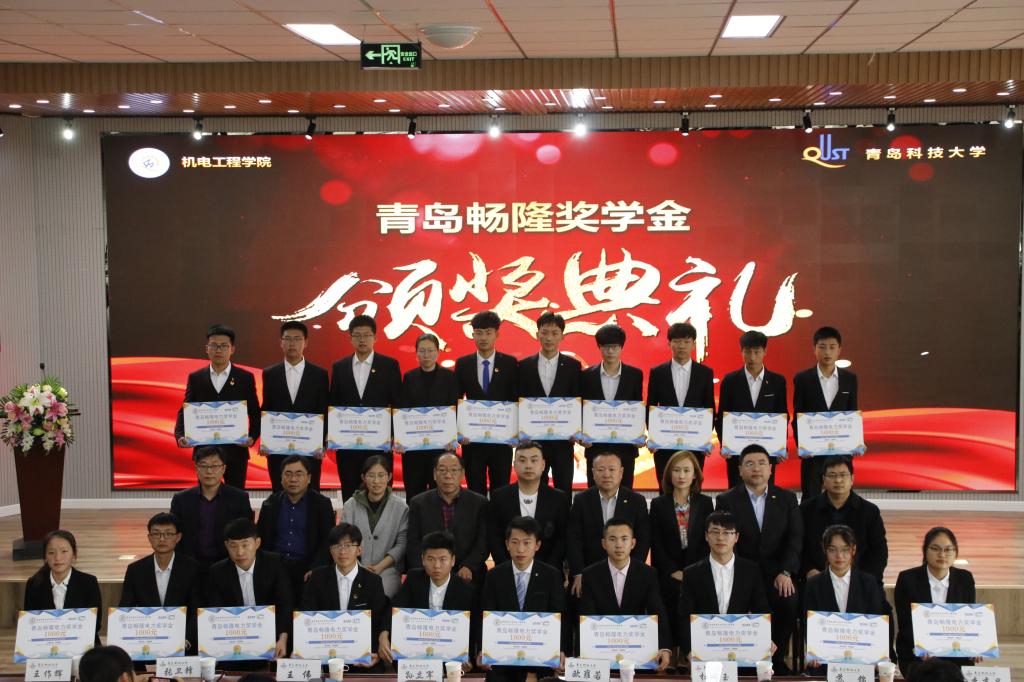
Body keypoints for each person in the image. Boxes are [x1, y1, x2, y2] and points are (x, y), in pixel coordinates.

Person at [714, 444, 801, 674]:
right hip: (741, 572)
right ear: (740, 469)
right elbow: (727, 541)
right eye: (750, 464)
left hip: (777, 572)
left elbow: (795, 538)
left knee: (788, 600)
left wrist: (786, 572)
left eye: (762, 463)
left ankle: (776, 659)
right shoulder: (726, 500)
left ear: (771, 468)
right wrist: (740, 575)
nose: (756, 469)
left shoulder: (787, 498)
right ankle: (744, 660)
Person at [480, 516, 568, 682]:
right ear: (507, 544)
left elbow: (560, 616)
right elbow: (486, 615)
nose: (520, 549)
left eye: (527, 543)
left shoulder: (551, 575)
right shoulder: (494, 576)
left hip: (541, 658)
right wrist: (483, 649)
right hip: (504, 661)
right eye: (515, 542)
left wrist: (561, 650)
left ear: (537, 545)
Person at [174, 324, 261, 489]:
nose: (218, 350)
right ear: (207, 348)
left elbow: (255, 412)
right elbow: (185, 409)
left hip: (235, 451)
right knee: (206, 496)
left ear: (232, 349)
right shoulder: (196, 378)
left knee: (236, 496)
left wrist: (252, 436)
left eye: (224, 346)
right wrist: (179, 435)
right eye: (214, 345)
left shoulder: (245, 377)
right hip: (205, 452)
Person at [579, 518, 672, 672]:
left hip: (637, 654)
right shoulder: (591, 574)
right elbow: (587, 616)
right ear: (604, 544)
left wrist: (664, 648)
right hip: (602, 654)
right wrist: (583, 652)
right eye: (612, 539)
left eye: (624, 539)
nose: (619, 545)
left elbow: (658, 611)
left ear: (633, 543)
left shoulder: (647, 574)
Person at [676, 511, 771, 662]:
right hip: (705, 651)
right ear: (706, 536)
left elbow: (762, 609)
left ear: (736, 537)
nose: (720, 537)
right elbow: (684, 616)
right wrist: (689, 651)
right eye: (715, 532)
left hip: (741, 650)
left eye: (727, 532)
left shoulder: (751, 571)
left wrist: (766, 638)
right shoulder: (692, 573)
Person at [329, 314, 402, 500]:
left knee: (380, 495)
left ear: (375, 337)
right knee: (350, 493)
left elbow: (397, 403)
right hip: (348, 445)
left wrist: (394, 435)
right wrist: (332, 434)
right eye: (357, 335)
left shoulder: (389, 365)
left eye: (367, 335)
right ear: (350, 338)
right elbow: (334, 404)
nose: (362, 340)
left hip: (380, 445)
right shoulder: (339, 367)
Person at [803, 525, 892, 676]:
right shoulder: (814, 584)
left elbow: (877, 622)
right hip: (826, 662)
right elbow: (809, 623)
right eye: (832, 550)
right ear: (824, 550)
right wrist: (813, 652)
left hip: (863, 660)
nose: (839, 556)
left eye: (845, 550)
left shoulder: (869, 583)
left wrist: (878, 655)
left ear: (853, 550)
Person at [378, 532, 475, 669]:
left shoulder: (466, 590)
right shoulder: (413, 579)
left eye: (443, 559)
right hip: (416, 658)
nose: (436, 565)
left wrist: (468, 656)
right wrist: (384, 633)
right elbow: (395, 607)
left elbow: (473, 629)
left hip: (450, 662)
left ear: (452, 561)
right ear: (423, 559)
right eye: (431, 559)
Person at [895, 527, 978, 681]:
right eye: (935, 549)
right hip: (917, 656)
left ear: (956, 552)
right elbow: (905, 625)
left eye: (948, 549)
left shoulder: (965, 579)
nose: (942, 554)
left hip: (956, 656)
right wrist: (922, 648)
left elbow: (968, 620)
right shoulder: (907, 579)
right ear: (925, 551)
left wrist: (974, 647)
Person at [300, 523, 387, 669]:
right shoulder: (317, 578)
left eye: (348, 545)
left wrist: (374, 654)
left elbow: (378, 620)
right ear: (331, 551)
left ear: (359, 550)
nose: (342, 551)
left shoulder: (373, 581)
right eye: (337, 546)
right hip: (324, 657)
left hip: (362, 660)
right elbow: (306, 615)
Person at [205, 518, 292, 658]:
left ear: (257, 543)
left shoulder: (275, 564)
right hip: (233, 639)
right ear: (226, 545)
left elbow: (284, 605)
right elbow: (216, 612)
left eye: (245, 545)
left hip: (271, 635)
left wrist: (282, 639)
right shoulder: (217, 572)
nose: (240, 552)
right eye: (233, 546)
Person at [567, 452, 650, 599]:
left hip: (625, 570)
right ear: (593, 473)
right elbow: (573, 539)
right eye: (601, 470)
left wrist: (633, 570)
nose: (606, 474)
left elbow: (643, 540)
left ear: (621, 472)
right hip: (589, 572)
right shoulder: (581, 500)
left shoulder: (636, 501)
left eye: (612, 469)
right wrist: (578, 572)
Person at [649, 450, 713, 639]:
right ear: (669, 474)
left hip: (697, 569)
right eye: (676, 470)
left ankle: (691, 649)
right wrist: (672, 571)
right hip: (668, 572)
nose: (681, 475)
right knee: (670, 601)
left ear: (695, 475)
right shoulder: (658, 504)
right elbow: (656, 542)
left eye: (686, 470)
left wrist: (692, 571)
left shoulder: (705, 503)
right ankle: (671, 649)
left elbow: (707, 541)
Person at [516, 311, 582, 493]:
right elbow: (518, 400)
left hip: (563, 442)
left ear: (562, 336)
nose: (549, 338)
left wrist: (577, 429)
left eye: (554, 333)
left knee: (564, 488)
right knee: (535, 489)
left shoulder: (573, 366)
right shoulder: (524, 366)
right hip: (533, 442)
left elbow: (577, 399)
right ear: (537, 334)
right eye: (544, 332)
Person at [260, 321, 329, 491]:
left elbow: (323, 410)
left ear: (306, 342)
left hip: (310, 449)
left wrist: (321, 443)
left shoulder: (319, 374)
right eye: (288, 339)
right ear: (281, 342)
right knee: (279, 492)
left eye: (297, 339)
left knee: (311, 493)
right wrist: (265, 440)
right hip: (278, 449)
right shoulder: (270, 373)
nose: (292, 343)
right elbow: (267, 408)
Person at [256, 455, 335, 603]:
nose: (293, 479)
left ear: (309, 478)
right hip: (276, 566)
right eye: (288, 474)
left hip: (308, 567)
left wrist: (316, 569)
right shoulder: (270, 504)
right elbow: (261, 540)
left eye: (299, 474)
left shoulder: (322, 504)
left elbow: (328, 541)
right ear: (281, 478)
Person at [455, 310, 519, 494]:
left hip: (501, 440)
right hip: (472, 440)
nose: (483, 338)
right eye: (479, 333)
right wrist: (459, 431)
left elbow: (515, 399)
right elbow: (456, 399)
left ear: (497, 334)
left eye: (488, 333)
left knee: (501, 487)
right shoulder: (463, 364)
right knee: (475, 489)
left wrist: (515, 431)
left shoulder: (509, 363)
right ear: (473, 334)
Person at [120, 512, 201, 654]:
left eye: (168, 534)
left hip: (183, 643)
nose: (162, 539)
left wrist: (186, 640)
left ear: (178, 537)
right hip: (146, 642)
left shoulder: (192, 568)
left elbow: (197, 611)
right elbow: (126, 609)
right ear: (149, 538)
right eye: (156, 534)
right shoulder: (135, 570)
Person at [792, 326, 858, 500]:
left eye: (832, 347)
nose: (827, 352)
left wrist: (856, 441)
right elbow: (798, 416)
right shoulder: (803, 379)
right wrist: (802, 445)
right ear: (814, 349)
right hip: (812, 453)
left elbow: (852, 414)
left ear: (839, 350)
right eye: (822, 347)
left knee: (841, 495)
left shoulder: (849, 379)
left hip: (841, 452)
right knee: (810, 496)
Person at [716, 330, 789, 488]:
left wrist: (781, 447)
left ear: (765, 351)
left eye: (757, 352)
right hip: (737, 454)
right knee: (736, 494)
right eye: (747, 352)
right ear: (741, 351)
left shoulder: (777, 381)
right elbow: (721, 417)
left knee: (765, 493)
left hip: (767, 453)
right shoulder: (730, 381)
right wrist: (725, 445)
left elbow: (782, 416)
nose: (752, 357)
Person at [406, 453, 489, 588]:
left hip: (466, 570)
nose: (448, 475)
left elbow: (483, 541)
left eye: (454, 470)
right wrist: (424, 568)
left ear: (462, 474)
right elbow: (413, 542)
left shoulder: (479, 503)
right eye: (442, 470)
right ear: (434, 474)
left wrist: (469, 566)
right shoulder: (418, 503)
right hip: (429, 569)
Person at [799, 455, 887, 583]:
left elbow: (879, 551)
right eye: (832, 475)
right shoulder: (806, 510)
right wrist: (808, 570)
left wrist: (863, 579)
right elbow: (798, 546)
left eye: (843, 475)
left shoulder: (869, 511)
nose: (838, 480)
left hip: (859, 580)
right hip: (817, 580)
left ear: (852, 479)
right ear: (823, 480)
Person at [646, 322, 716, 480]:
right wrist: (654, 437)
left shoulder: (705, 373)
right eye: (677, 341)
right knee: (665, 485)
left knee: (692, 486)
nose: (681, 346)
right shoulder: (658, 373)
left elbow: (709, 408)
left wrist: (704, 438)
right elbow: (650, 406)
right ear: (669, 344)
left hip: (695, 444)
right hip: (664, 444)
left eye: (686, 341)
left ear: (693, 344)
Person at [578, 324, 644, 488]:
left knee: (625, 493)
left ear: (621, 347)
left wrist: (638, 434)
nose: (610, 351)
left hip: (625, 447)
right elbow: (581, 409)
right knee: (595, 494)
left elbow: (637, 407)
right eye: (606, 347)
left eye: (614, 347)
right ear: (599, 347)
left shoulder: (634, 375)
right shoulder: (586, 376)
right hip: (595, 447)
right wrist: (581, 434)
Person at [487, 441, 570, 569]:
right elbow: (494, 538)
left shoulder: (559, 498)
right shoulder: (499, 497)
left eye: (534, 460)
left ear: (543, 465)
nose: (528, 465)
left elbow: (562, 539)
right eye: (522, 460)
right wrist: (508, 569)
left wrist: (547, 570)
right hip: (508, 570)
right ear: (514, 465)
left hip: (549, 572)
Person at [397, 332, 460, 499]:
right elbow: (403, 410)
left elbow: (454, 409)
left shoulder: (449, 377)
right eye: (422, 351)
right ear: (416, 353)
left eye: (430, 350)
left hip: (441, 448)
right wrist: (401, 439)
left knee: (440, 493)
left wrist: (452, 437)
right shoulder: (409, 377)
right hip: (414, 449)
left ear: (438, 352)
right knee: (414, 492)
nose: (426, 355)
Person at [169, 446, 253, 570]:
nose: (209, 471)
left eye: (214, 466)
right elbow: (173, 534)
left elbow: (246, 534)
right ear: (196, 468)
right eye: (203, 466)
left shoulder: (239, 498)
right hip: (190, 563)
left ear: (223, 469)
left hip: (227, 564)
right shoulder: (181, 499)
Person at [340, 454, 409, 598]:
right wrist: (358, 566)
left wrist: (380, 566)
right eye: (371, 475)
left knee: (382, 596)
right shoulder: (350, 505)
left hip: (388, 570)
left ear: (389, 477)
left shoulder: (401, 507)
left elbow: (402, 543)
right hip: (353, 567)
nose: (376, 481)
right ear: (363, 477)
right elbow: (344, 540)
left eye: (381, 475)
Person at [23, 530, 102, 644]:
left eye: (64, 551)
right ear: (45, 556)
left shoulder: (89, 582)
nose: (57, 558)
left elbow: (95, 624)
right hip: (46, 644)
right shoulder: (34, 583)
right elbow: (29, 622)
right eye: (51, 552)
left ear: (74, 554)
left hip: (81, 644)